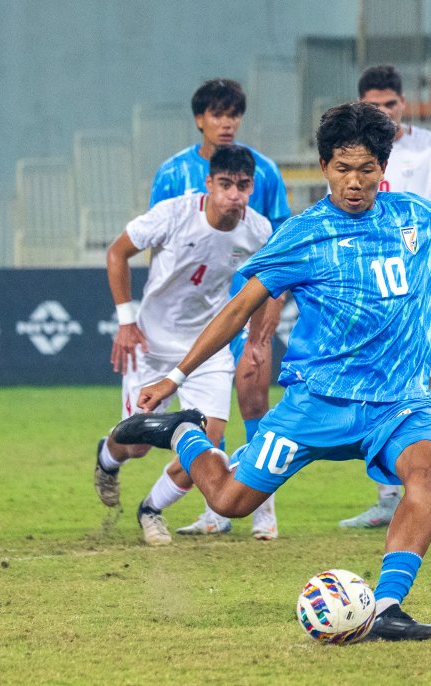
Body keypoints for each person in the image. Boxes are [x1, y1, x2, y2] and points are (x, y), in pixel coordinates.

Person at [109, 101, 431, 640]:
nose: (354, 182)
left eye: (366, 169)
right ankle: (183, 432)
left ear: (384, 168)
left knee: (430, 474)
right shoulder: (302, 234)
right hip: (318, 403)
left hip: (398, 402)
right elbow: (237, 308)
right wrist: (176, 378)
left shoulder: (413, 215)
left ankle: (385, 609)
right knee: (230, 502)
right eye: (341, 168)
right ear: (325, 167)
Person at [94, 146, 274, 544]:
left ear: (251, 187)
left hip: (208, 348)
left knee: (206, 446)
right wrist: (126, 323)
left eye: (243, 186)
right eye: (225, 185)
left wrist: (258, 342)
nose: (234, 195)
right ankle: (106, 460)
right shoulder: (173, 214)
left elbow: (269, 287)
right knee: (136, 445)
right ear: (209, 184)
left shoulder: (259, 230)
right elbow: (117, 253)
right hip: (151, 346)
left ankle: (151, 509)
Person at [148, 78, 290, 536]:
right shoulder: (172, 173)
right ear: (199, 120)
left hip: (247, 308)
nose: (226, 123)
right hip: (190, 317)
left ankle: (263, 506)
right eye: (217, 114)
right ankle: (216, 507)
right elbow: (158, 246)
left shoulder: (261, 171)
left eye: (234, 115)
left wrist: (263, 329)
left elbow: (281, 243)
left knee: (252, 398)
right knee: (205, 414)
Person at [339, 64, 431, 529]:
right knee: (371, 385)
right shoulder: (357, 154)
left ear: (404, 104)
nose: (385, 112)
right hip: (366, 288)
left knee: (410, 387)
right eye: (374, 106)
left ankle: (416, 486)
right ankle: (391, 495)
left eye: (391, 104)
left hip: (415, 291)